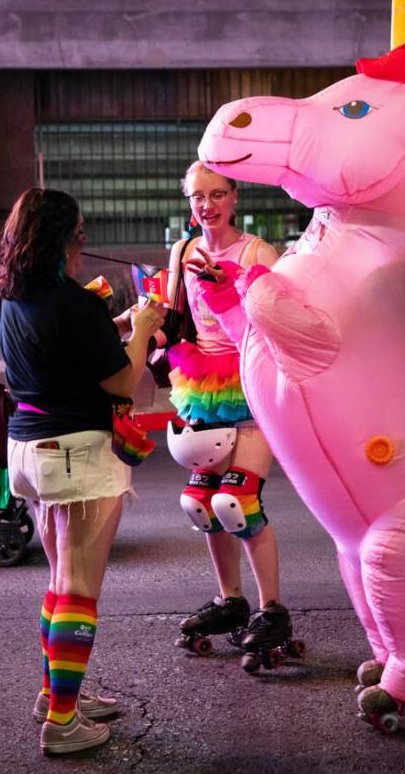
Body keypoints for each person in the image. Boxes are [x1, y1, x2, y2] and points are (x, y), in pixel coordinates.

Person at [0, 188, 165, 755]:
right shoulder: (67, 300)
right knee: (79, 588)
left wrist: (117, 322)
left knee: (60, 581)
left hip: (30, 449)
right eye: (79, 231)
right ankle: (63, 724)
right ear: (60, 238)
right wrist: (141, 329)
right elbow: (120, 381)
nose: (85, 240)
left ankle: (55, 695)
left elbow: (72, 350)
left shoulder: (20, 295)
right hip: (74, 452)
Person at [165, 161, 297, 671]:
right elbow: (173, 315)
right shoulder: (182, 251)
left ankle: (272, 611)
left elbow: (271, 325)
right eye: (198, 196)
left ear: (234, 197)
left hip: (251, 380)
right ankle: (230, 602)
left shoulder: (257, 252)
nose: (207, 205)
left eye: (217, 194)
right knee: (200, 501)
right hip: (201, 385)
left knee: (236, 501)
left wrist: (233, 285)